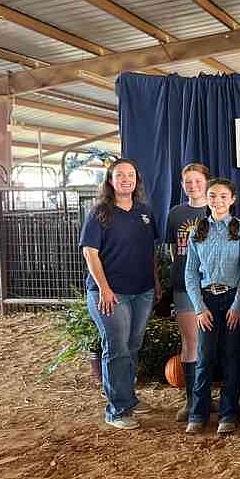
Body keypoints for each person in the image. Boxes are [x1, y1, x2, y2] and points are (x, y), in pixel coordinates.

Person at [80, 158, 161, 430]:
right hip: (111, 294)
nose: (126, 179)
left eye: (131, 175)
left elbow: (150, 251)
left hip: (142, 291)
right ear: (110, 180)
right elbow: (90, 253)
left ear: (137, 180)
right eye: (120, 175)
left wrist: (156, 281)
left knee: (132, 346)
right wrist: (104, 288)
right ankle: (116, 410)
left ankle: (128, 398)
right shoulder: (100, 213)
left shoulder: (145, 212)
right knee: (116, 347)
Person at [184, 178, 240, 435]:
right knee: (204, 357)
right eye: (212, 196)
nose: (218, 201)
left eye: (223, 196)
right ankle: (198, 413)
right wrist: (199, 307)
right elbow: (190, 272)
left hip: (232, 298)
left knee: (231, 358)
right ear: (206, 198)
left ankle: (228, 413)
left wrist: (238, 306)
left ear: (232, 199)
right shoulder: (198, 230)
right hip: (206, 300)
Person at [165, 162, 210, 422]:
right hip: (184, 285)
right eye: (188, 182)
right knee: (190, 341)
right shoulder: (176, 213)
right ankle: (192, 400)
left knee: (210, 344)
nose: (193, 186)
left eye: (197, 180)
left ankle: (207, 398)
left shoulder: (215, 207)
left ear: (206, 182)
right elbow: (174, 250)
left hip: (212, 285)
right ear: (183, 185)